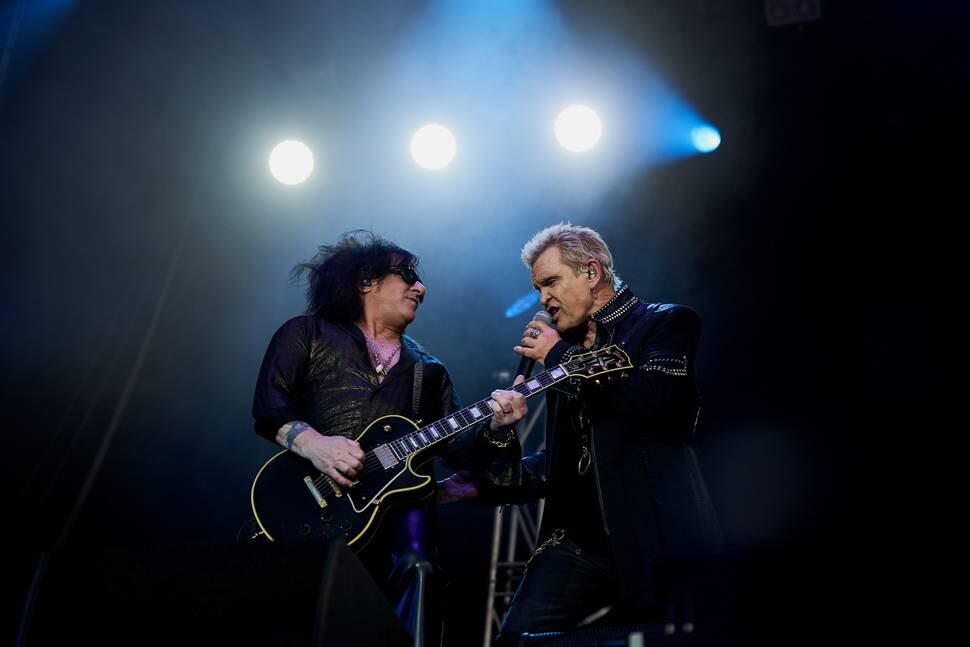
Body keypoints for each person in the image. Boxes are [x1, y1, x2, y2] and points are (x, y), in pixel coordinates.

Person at [440, 223, 722, 642]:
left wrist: (559, 355)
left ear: (592, 272)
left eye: (551, 282)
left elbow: (660, 403)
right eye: (537, 288)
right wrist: (485, 482)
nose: (542, 299)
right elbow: (564, 464)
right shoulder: (569, 355)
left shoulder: (665, 323)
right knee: (516, 639)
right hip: (577, 545)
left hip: (657, 536)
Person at [252, 231, 526, 646]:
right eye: (408, 275)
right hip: (311, 505)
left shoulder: (428, 370)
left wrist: (498, 427)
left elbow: (460, 450)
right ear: (367, 281)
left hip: (398, 517)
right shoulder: (306, 332)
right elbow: (270, 404)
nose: (421, 288)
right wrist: (315, 445)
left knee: (420, 568)